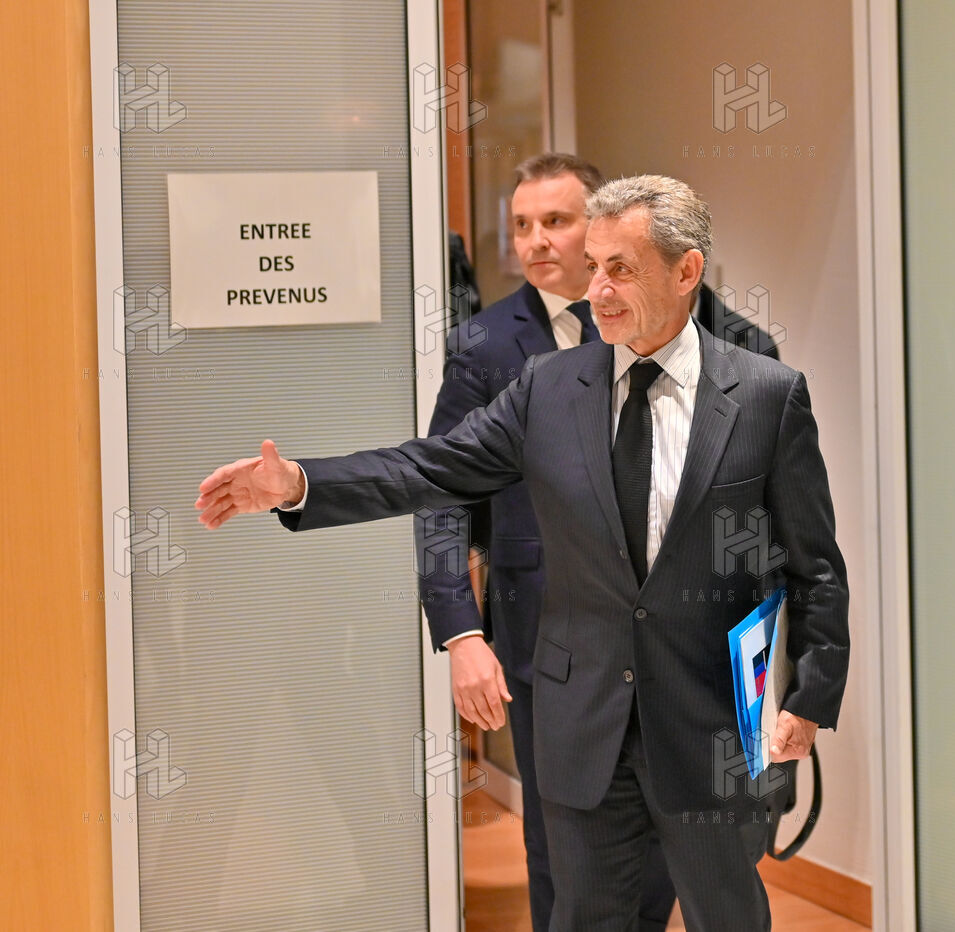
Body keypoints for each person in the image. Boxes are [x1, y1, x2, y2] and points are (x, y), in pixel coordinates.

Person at [196, 174, 848, 931]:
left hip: (714, 725)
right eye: (593, 266)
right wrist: (301, 483)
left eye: (620, 269)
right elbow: (430, 467)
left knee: (727, 918)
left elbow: (815, 566)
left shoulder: (766, 393)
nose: (596, 290)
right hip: (584, 718)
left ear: (686, 272)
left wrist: (810, 698)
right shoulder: (548, 387)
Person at [420, 152, 777, 932]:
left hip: (691, 654)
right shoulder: (485, 346)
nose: (536, 241)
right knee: (568, 860)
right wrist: (459, 631)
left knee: (690, 852)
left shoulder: (732, 344)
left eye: (557, 221)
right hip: (552, 644)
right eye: (521, 225)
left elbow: (766, 514)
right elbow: (443, 494)